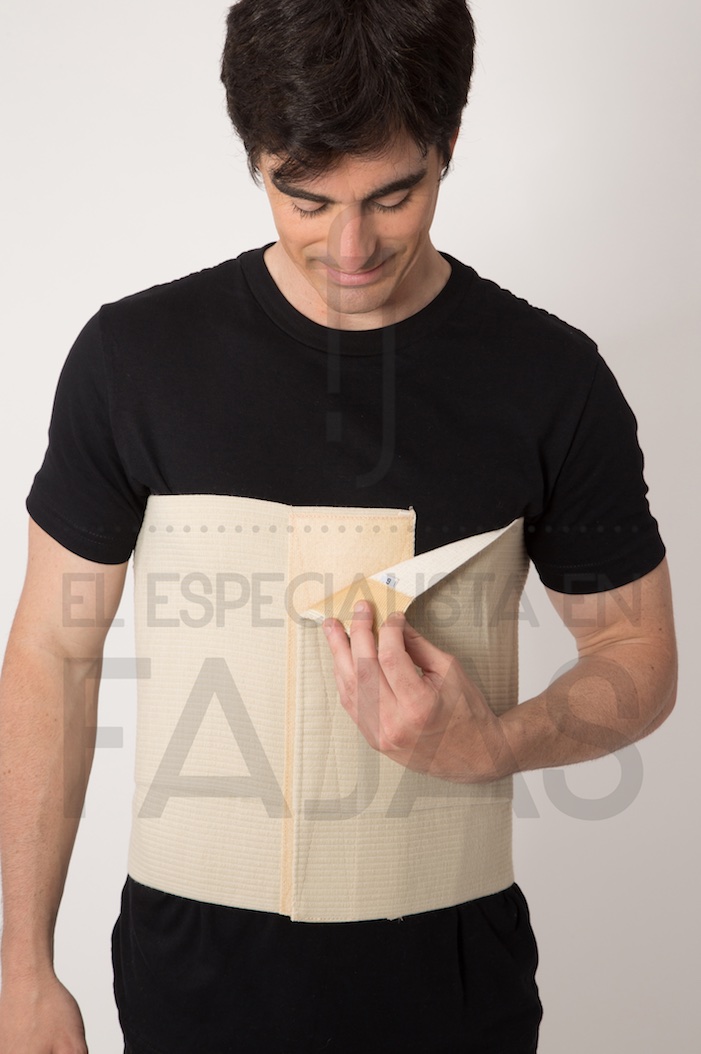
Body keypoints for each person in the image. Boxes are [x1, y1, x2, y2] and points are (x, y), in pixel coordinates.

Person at [0, 0, 677, 1051]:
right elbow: (55, 649)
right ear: (253, 158)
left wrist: (491, 742)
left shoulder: (549, 379)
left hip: (450, 985)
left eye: (393, 195)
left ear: (448, 144)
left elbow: (637, 654)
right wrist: (22, 966)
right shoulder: (134, 362)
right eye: (303, 198)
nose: (350, 247)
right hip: (189, 985)